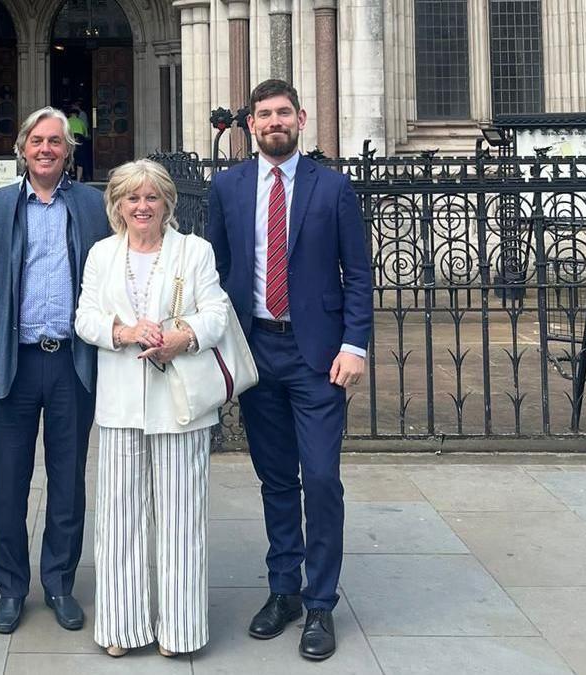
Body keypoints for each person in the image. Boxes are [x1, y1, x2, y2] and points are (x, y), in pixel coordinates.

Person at [205, 79, 373, 662]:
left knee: (321, 478)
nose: (273, 122)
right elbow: (217, 269)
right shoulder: (227, 186)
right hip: (256, 352)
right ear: (250, 124)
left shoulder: (334, 187)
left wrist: (356, 345)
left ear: (301, 118)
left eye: (283, 113)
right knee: (275, 480)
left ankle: (321, 601)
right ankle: (284, 590)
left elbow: (358, 271)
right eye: (263, 114)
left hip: (318, 355)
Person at [0, 107, 111, 635]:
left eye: (57, 142)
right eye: (38, 141)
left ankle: (60, 583)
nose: (47, 149)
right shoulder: (0, 207)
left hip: (71, 362)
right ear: (22, 148)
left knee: (67, 480)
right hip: (13, 363)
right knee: (9, 482)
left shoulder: (93, 204)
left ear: (69, 151)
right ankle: (10, 587)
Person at [74, 159, 230, 658]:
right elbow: (85, 318)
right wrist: (122, 332)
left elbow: (217, 314)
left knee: (182, 516)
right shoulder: (102, 253)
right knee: (119, 517)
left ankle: (180, 630)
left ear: (167, 203)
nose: (142, 207)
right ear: (117, 205)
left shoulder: (194, 251)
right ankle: (122, 625)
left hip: (180, 403)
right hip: (120, 403)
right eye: (132, 198)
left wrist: (181, 340)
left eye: (152, 197)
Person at [66, 107, 90, 182]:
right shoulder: (81, 121)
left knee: (69, 156)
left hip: (70, 138)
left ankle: (71, 171)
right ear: (77, 114)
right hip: (80, 139)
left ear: (70, 114)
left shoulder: (66, 121)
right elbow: (86, 134)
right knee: (80, 160)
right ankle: (78, 180)